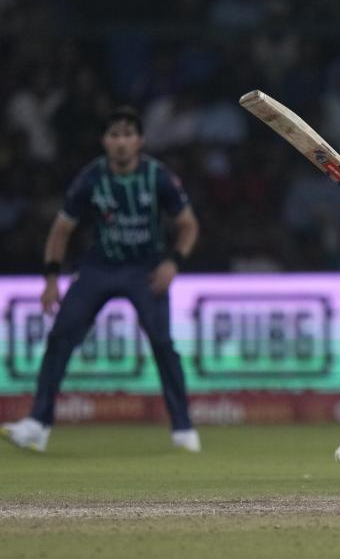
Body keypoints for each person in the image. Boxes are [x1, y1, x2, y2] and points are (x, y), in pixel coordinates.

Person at [1, 107, 201, 453]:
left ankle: (183, 429)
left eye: (127, 135)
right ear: (104, 141)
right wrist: (51, 279)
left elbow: (188, 225)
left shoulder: (158, 177)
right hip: (99, 267)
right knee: (61, 335)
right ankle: (37, 425)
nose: (121, 142)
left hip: (146, 268)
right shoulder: (91, 179)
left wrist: (173, 262)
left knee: (163, 344)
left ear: (140, 140)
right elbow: (61, 229)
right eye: (114, 135)